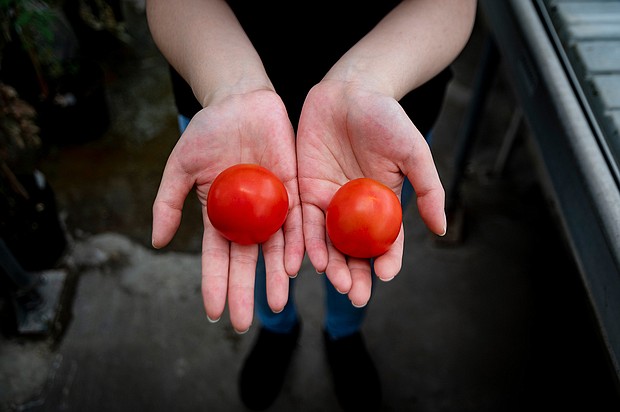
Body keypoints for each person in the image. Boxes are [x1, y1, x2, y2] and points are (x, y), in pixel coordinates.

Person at [146, 1, 477, 410]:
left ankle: (344, 333)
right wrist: (229, 86)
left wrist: (366, 83)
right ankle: (277, 328)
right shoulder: (230, 126)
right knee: (260, 253)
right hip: (225, 111)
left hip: (377, 121)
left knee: (358, 258)